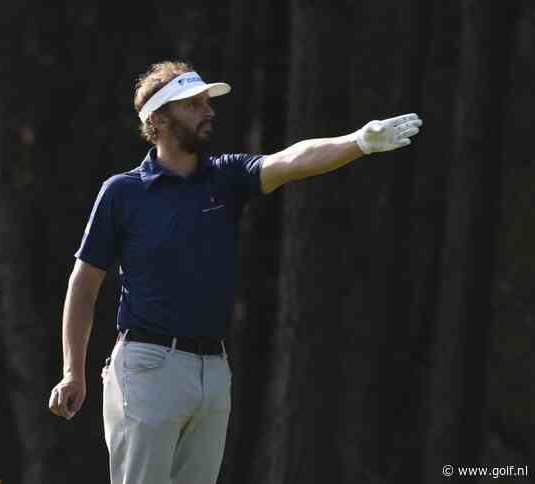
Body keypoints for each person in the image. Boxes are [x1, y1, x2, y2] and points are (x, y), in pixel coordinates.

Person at [48, 60, 423, 483]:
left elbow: (289, 161)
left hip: (213, 371)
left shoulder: (224, 176)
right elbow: (84, 284)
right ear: (159, 119)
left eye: (207, 103)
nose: (208, 112)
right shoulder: (123, 192)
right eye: (194, 105)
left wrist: (358, 142)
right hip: (147, 367)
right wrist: (72, 370)